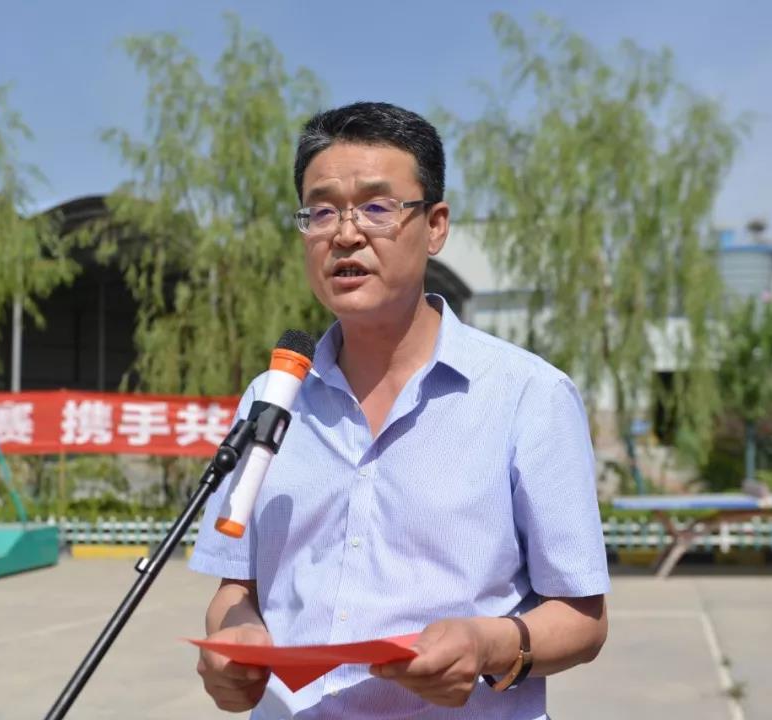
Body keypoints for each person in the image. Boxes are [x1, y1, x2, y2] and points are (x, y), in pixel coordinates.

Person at [188, 101, 609, 719]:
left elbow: (582, 618)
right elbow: (236, 587)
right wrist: (238, 638)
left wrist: (489, 645)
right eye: (321, 211)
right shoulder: (271, 398)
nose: (345, 233)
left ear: (435, 226)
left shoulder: (528, 395)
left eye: (377, 208)